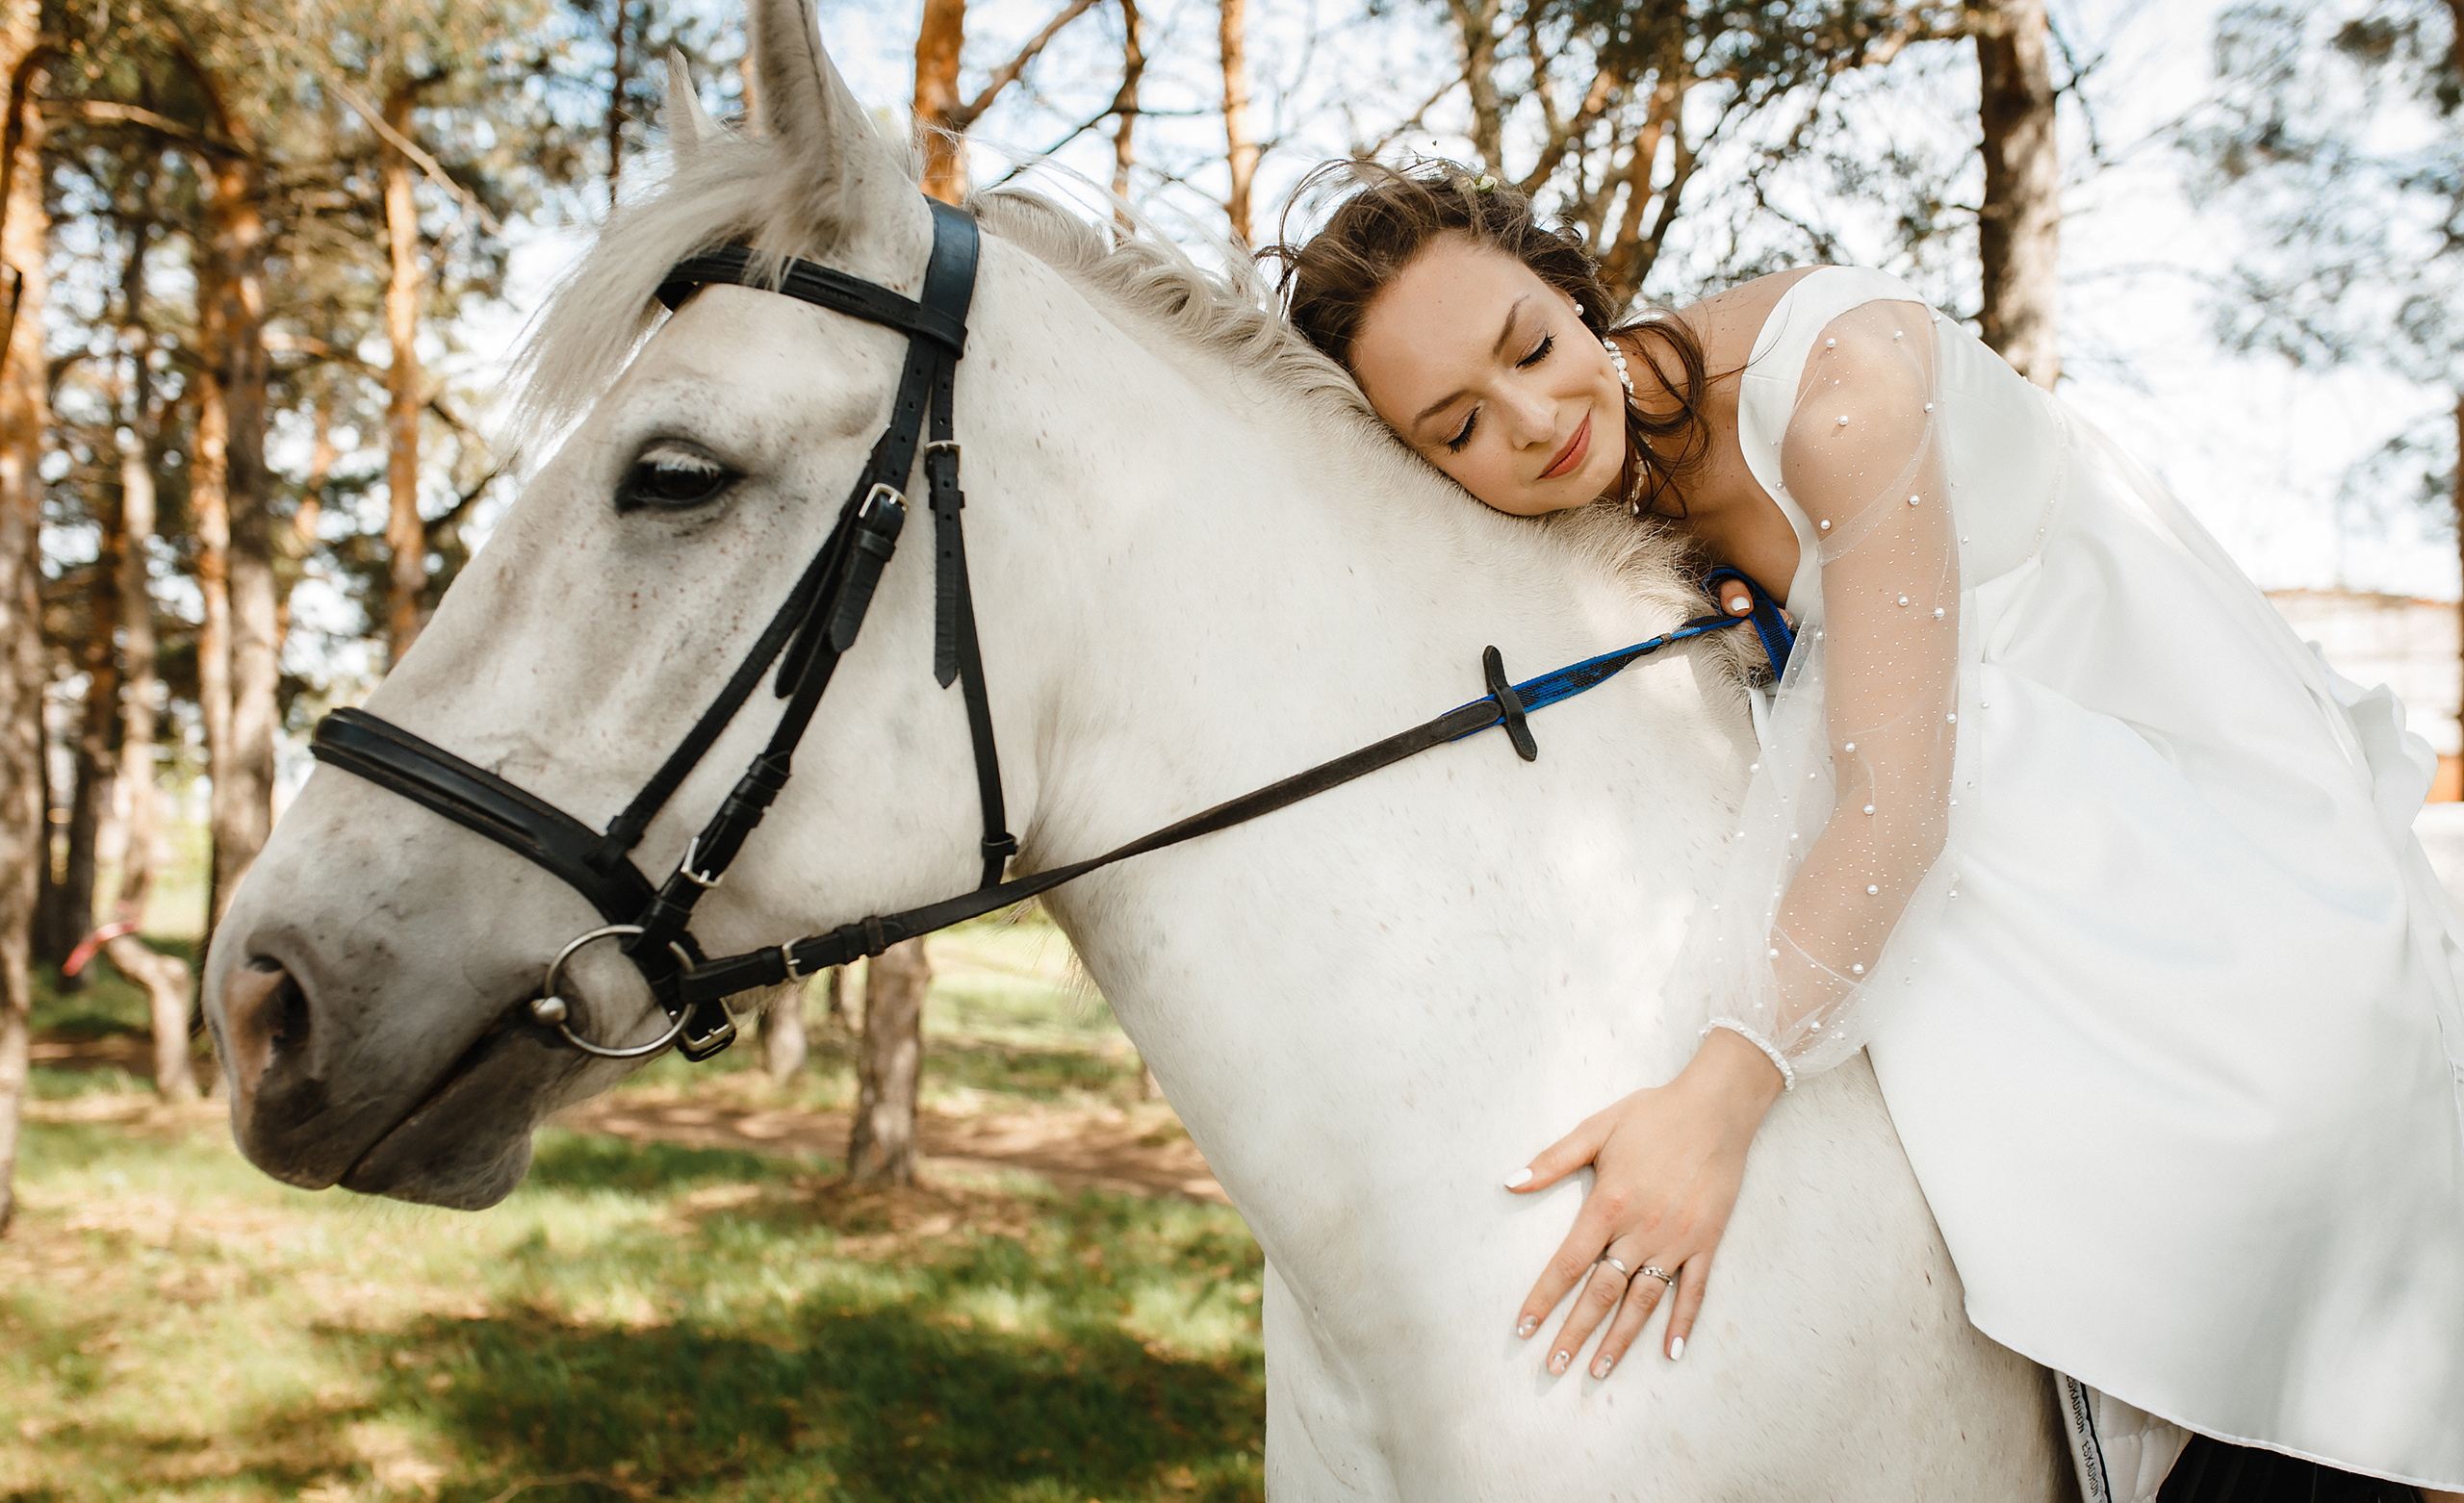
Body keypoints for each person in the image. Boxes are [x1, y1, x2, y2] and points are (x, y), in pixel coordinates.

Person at [1270, 163, 2464, 1502]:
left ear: (1570, 287)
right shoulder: (1593, 487)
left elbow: (1897, 796)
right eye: (1458, 426)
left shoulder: (1841, 396)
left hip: (2133, 737)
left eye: (1533, 344)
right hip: (1962, 767)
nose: (1535, 418)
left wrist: (1718, 1101)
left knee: (2238, 1116)